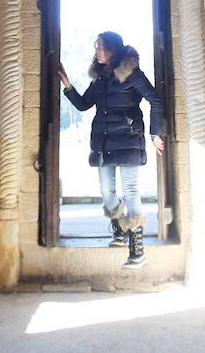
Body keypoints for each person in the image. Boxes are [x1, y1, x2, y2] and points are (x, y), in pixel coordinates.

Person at [58, 31, 165, 269]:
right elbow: (85, 104)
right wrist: (67, 85)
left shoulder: (132, 73)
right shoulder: (100, 78)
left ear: (113, 50)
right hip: (103, 141)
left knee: (131, 190)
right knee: (107, 192)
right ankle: (119, 225)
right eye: (96, 46)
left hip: (128, 139)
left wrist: (155, 134)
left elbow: (155, 101)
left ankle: (136, 249)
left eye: (101, 47)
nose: (96, 50)